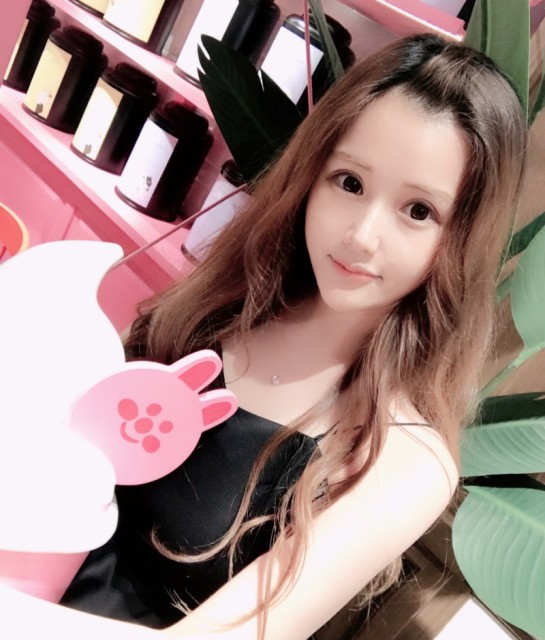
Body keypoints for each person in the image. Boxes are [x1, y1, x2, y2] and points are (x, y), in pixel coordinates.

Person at [0, 32, 527, 640]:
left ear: (462, 239)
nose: (361, 236)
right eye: (350, 182)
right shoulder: (221, 307)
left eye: (418, 212)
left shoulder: (405, 458)